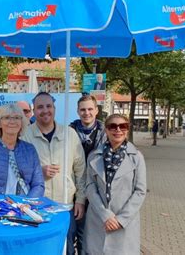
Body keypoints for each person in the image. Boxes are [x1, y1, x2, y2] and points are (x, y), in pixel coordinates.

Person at [21, 92, 86, 255]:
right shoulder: (25, 135)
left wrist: (80, 200)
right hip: (36, 208)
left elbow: (81, 171)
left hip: (65, 206)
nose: (45, 110)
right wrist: (39, 173)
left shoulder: (70, 135)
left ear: (54, 108)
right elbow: (19, 172)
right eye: (40, 107)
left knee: (67, 248)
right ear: (34, 110)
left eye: (48, 106)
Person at [84, 114, 147, 254]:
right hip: (98, 220)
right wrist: (105, 215)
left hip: (124, 223)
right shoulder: (94, 156)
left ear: (127, 130)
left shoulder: (137, 157)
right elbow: (90, 186)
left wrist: (120, 220)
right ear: (106, 130)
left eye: (123, 126)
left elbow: (140, 191)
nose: (118, 130)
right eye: (113, 126)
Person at [0, 103, 44, 197]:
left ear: (21, 122)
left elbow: (38, 185)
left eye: (17, 117)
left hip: (25, 206)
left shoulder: (30, 150)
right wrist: (1, 204)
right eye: (7, 117)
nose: (12, 121)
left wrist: (27, 203)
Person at [69, 95, 106, 254]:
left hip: (97, 191)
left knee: (89, 237)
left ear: (96, 110)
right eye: (83, 109)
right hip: (74, 190)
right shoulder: (68, 132)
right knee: (71, 234)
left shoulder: (106, 133)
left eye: (90, 109)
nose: (86, 113)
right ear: (77, 111)